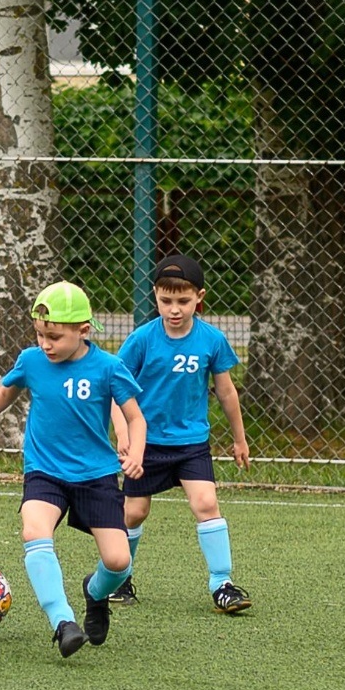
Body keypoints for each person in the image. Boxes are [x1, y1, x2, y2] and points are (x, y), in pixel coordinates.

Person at [0, 281, 147, 658]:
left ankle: (95, 593)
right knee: (34, 530)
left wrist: (135, 452)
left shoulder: (108, 368)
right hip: (44, 470)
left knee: (119, 562)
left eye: (54, 337)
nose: (45, 344)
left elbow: (136, 418)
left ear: (83, 330)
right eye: (39, 334)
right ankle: (63, 621)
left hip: (96, 476)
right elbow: (4, 393)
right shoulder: (32, 361)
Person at [107, 253, 253, 613]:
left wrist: (239, 439)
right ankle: (119, 578)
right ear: (155, 296)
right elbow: (114, 388)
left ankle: (222, 584)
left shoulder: (211, 340)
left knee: (206, 504)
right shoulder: (142, 339)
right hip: (146, 445)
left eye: (183, 301)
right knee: (134, 513)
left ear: (199, 297)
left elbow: (226, 392)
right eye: (166, 300)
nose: (174, 309)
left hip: (191, 444)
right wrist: (123, 434)